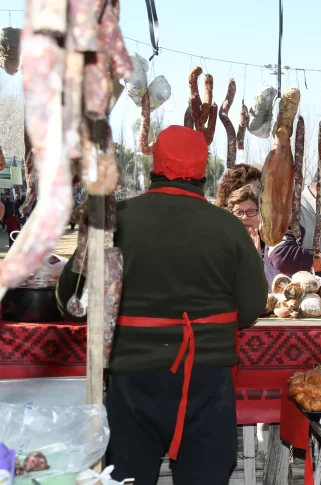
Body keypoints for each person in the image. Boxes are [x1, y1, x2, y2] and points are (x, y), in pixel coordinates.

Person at [56, 125, 268, 485]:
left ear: (154, 165)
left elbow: (70, 300)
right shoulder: (229, 228)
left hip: (133, 379)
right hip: (208, 379)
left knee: (128, 477)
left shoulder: (115, 220)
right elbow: (250, 308)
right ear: (203, 173)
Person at [228, 185, 263, 256]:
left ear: (261, 214)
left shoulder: (272, 246)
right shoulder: (224, 244)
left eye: (251, 211)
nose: (244, 217)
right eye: (238, 212)